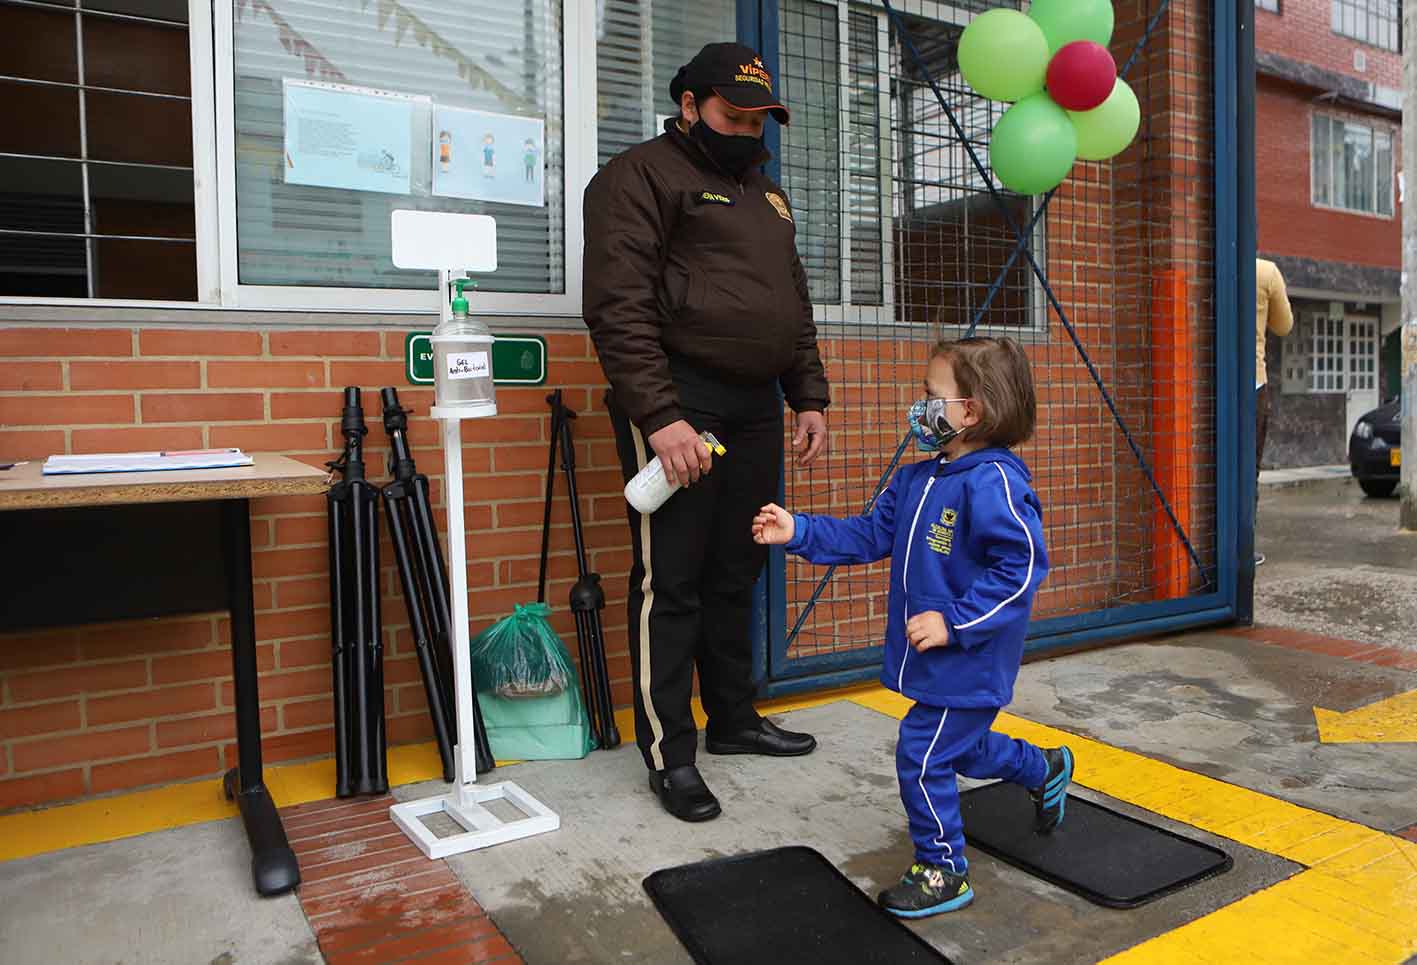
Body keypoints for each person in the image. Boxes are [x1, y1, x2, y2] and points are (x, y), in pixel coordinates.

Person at [582, 42, 830, 823]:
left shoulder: (767, 195)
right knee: (672, 579)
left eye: (758, 119)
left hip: (755, 403)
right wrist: (659, 414)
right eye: (733, 115)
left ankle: (733, 719)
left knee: (738, 568)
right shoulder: (638, 177)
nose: (747, 130)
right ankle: (669, 751)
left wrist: (807, 394)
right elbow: (617, 305)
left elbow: (792, 302)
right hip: (681, 400)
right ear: (688, 105)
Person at [752, 336, 1071, 917]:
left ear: (970, 411)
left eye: (931, 395)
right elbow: (868, 535)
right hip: (933, 657)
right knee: (964, 752)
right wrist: (797, 530)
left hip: (969, 658)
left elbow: (1021, 567)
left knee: (921, 755)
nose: (918, 406)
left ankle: (944, 867)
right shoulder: (918, 479)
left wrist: (955, 622)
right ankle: (1042, 766)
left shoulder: (994, 481)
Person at [1255, 258, 1293, 566]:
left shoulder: (1213, 261)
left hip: (1213, 379)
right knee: (1248, 469)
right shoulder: (1265, 272)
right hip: (1253, 383)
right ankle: (1243, 546)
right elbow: (1284, 325)